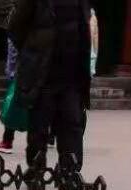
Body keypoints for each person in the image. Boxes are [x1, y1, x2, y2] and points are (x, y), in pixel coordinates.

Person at [10, 0, 93, 178]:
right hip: (44, 75)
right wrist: (32, 50)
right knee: (39, 126)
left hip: (73, 75)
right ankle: (36, 170)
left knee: (72, 125)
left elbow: (85, 29)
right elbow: (15, 27)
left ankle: (70, 173)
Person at [0, 40, 20, 154]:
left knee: (12, 106)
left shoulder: (17, 32)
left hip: (22, 72)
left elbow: (13, 52)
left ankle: (7, 141)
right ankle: (48, 137)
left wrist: (10, 73)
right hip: (41, 72)